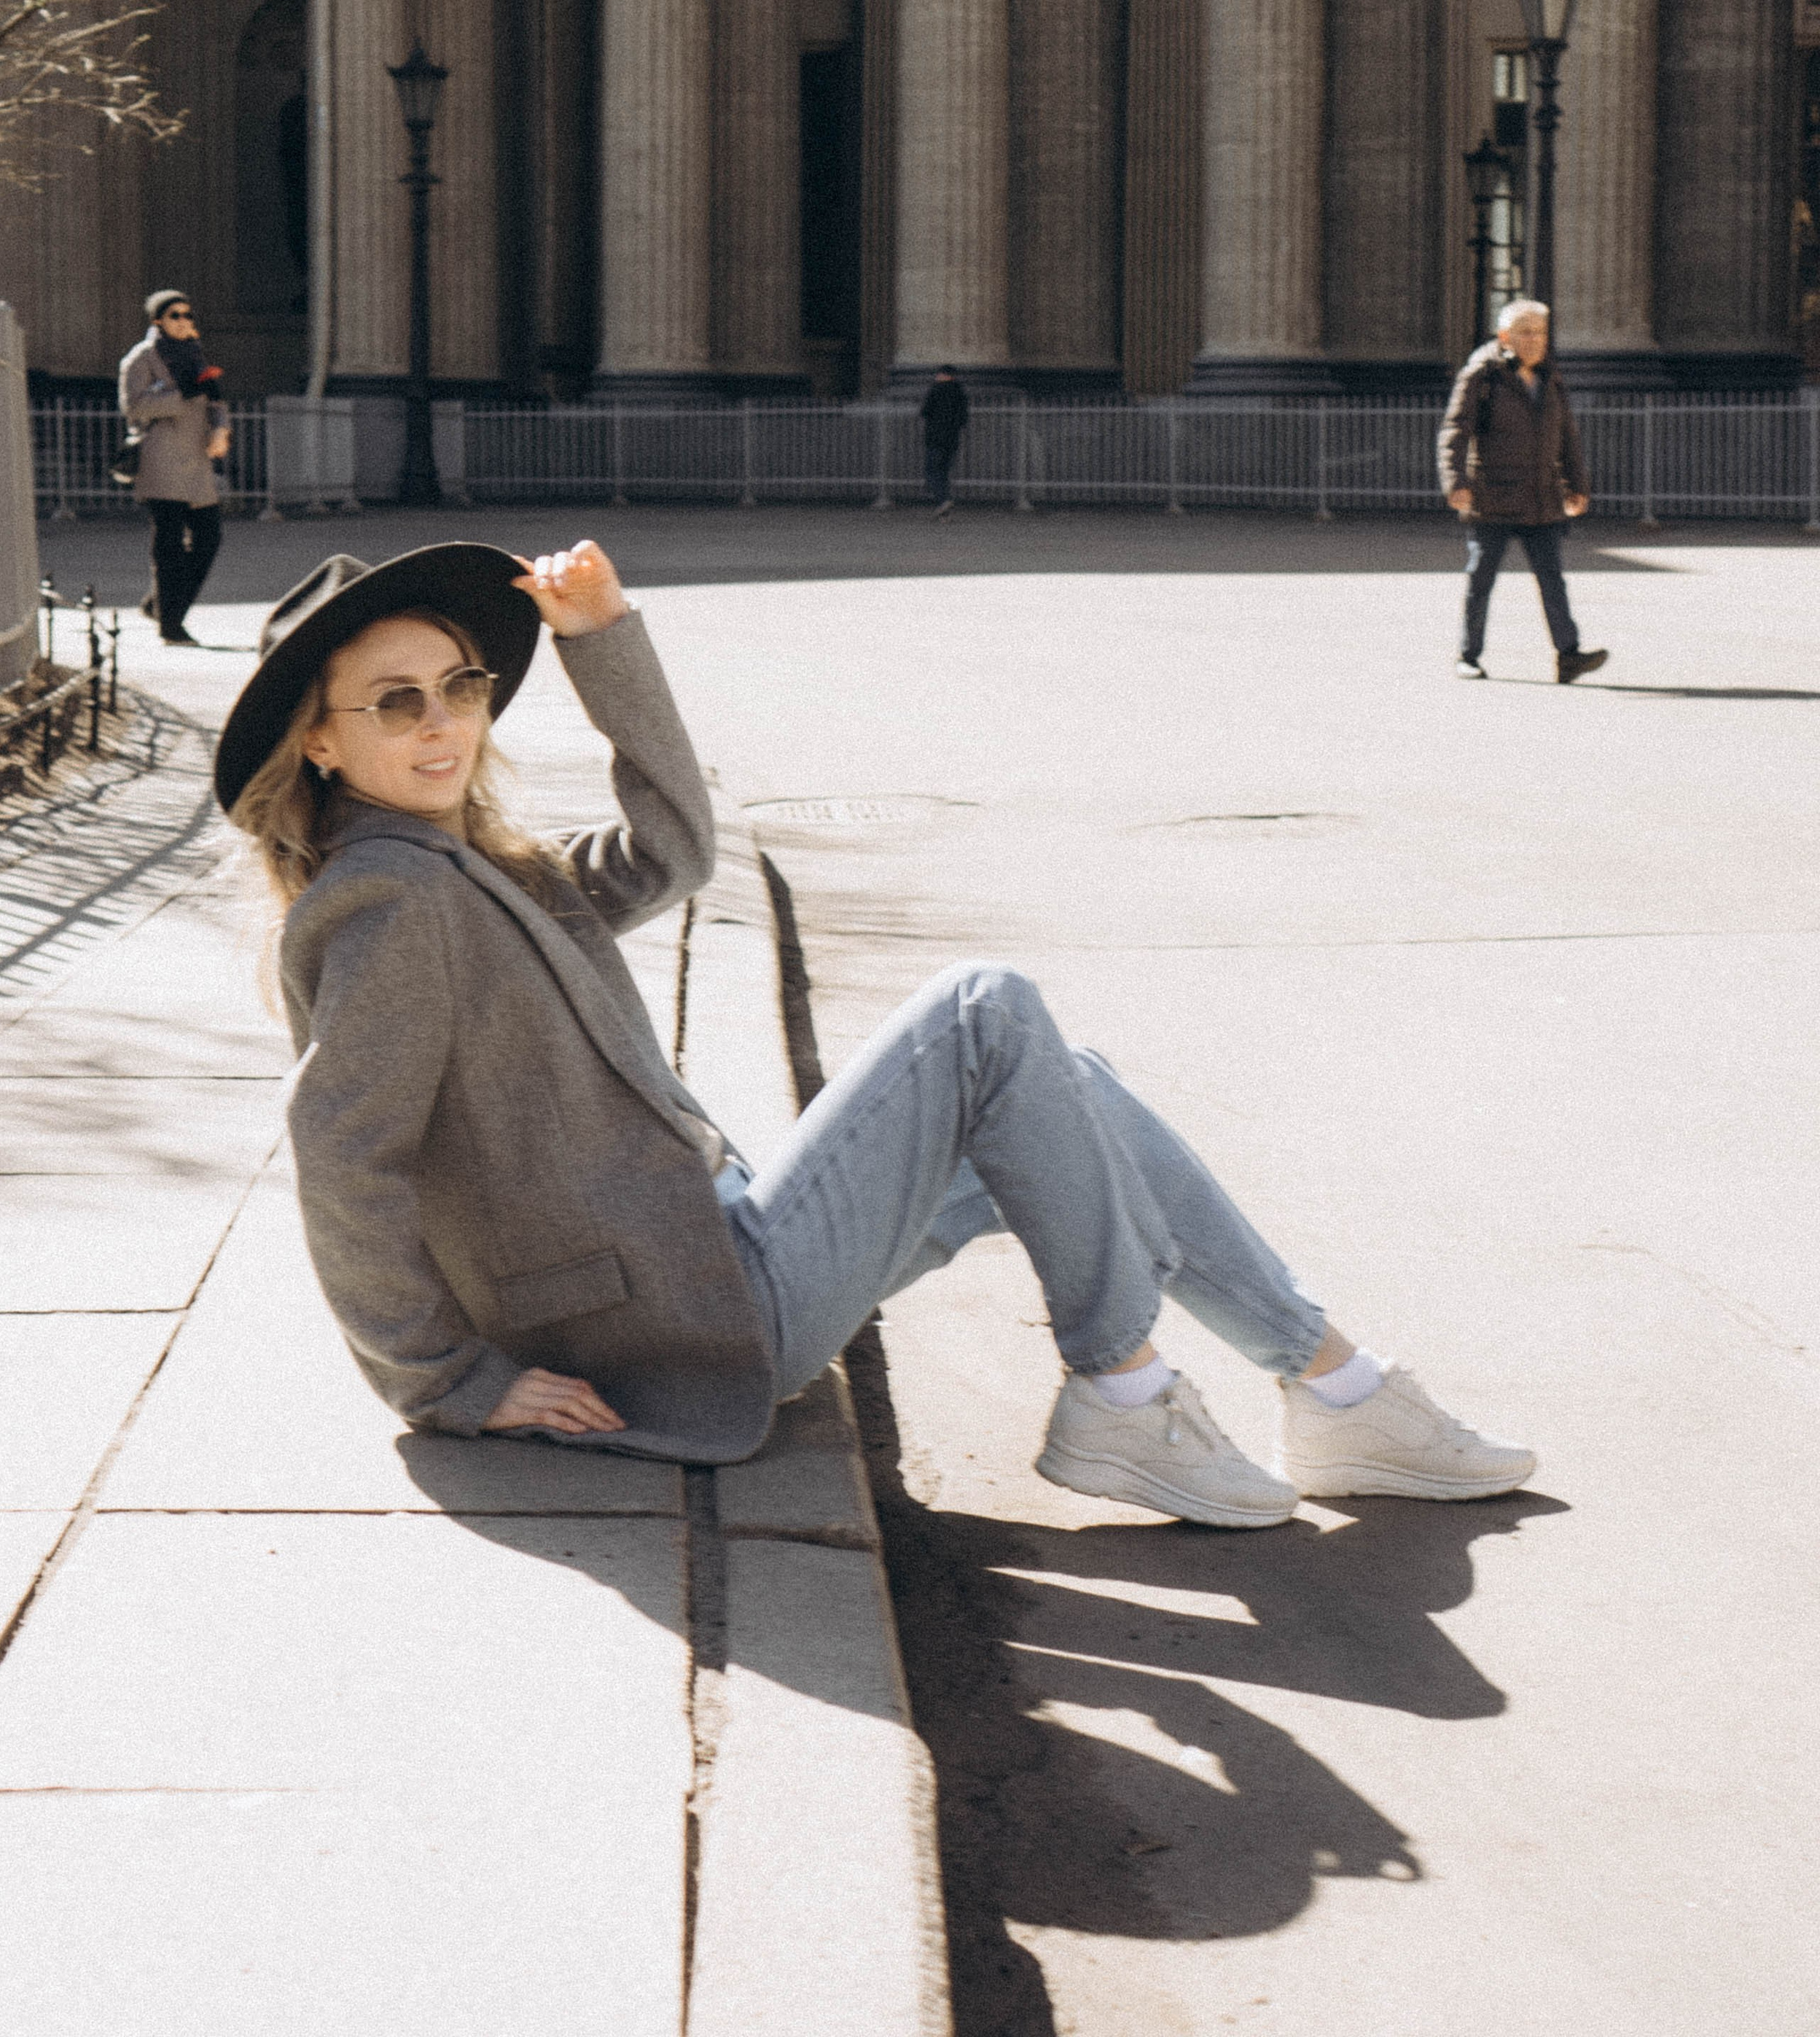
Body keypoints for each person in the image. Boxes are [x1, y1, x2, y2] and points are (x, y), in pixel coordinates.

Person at [216, 537, 1536, 1527]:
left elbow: (674, 852)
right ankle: (1124, 1393)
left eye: (456, 685)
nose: (441, 722)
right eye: (394, 703)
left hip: (712, 1257)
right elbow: (342, 1153)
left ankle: (1340, 1391)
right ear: (320, 745)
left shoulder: (477, 868)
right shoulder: (389, 900)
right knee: (983, 1010)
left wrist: (604, 640)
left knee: (1067, 1084)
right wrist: (447, 1379)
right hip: (689, 1316)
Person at [1438, 297, 1608, 684]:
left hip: (1541, 497)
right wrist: (1456, 481)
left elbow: (1566, 434)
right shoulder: (1482, 375)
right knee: (1481, 580)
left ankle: (1569, 655)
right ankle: (1468, 655)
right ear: (1505, 337)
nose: (1535, 340)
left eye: (1541, 333)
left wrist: (1577, 486)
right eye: (1526, 332)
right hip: (1493, 495)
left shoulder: (1551, 377)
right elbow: (1455, 429)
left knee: (1553, 580)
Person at [118, 289, 230, 647]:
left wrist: (221, 430)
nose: (183, 321)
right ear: (158, 321)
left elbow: (215, 400)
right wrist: (180, 394)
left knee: (209, 537)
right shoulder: (142, 357)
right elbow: (134, 407)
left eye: (187, 315)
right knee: (169, 545)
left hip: (197, 460)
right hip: (161, 459)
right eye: (175, 315)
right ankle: (171, 624)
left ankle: (160, 604)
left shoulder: (195, 354)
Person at [919, 366, 969, 517]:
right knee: (944, 472)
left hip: (935, 438)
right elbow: (963, 418)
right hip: (952, 439)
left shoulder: (936, 390)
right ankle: (944, 511)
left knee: (932, 471)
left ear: (943, 375)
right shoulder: (960, 392)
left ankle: (943, 500)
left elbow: (925, 411)